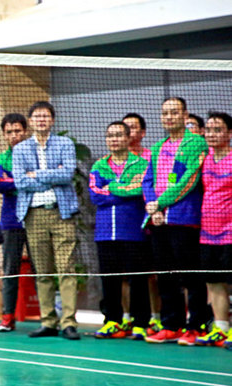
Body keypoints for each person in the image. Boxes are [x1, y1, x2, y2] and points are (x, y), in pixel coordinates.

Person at [143, 97, 210, 345]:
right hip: (158, 220)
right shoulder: (157, 147)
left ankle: (197, 326)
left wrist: (159, 203)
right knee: (165, 275)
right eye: (165, 113)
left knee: (190, 275)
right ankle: (171, 325)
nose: (169, 117)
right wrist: (153, 207)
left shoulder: (196, 143)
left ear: (185, 115)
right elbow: (147, 180)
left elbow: (189, 180)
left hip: (184, 218)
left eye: (174, 112)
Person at [12, 101, 81, 340]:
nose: (41, 120)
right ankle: (48, 321)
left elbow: (67, 173)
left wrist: (37, 175)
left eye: (45, 116)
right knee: (42, 270)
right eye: (37, 116)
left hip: (62, 213)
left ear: (52, 120)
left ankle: (69, 322)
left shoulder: (65, 144)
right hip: (34, 215)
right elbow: (20, 181)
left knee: (66, 268)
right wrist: (52, 176)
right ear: (30, 121)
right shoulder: (20, 149)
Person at [89, 121, 150, 339]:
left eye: (118, 135)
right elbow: (95, 195)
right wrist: (125, 190)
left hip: (133, 231)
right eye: (110, 136)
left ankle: (140, 323)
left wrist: (112, 187)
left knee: (138, 279)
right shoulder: (98, 166)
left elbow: (140, 191)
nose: (113, 140)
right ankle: (112, 321)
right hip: (105, 232)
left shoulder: (142, 164)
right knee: (109, 279)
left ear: (128, 138)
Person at [195, 112, 232, 348]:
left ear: (229, 133)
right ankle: (221, 328)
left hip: (230, 230)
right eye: (208, 130)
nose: (211, 134)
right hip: (208, 231)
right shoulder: (204, 159)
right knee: (213, 282)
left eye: (217, 130)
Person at [123, 112, 161, 332]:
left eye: (134, 127)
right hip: (126, 224)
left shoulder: (151, 156)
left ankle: (156, 316)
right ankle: (127, 317)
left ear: (143, 132)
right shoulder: (115, 159)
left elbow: (151, 185)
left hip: (150, 222)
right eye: (125, 127)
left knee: (151, 275)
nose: (129, 132)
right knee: (124, 276)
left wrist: (132, 185)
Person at [0, 113, 29, 332]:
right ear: (4, 134)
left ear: (25, 132)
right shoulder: (0, 159)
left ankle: (50, 319)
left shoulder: (35, 155)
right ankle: (8, 317)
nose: (14, 135)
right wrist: (28, 178)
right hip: (10, 219)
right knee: (10, 269)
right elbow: (0, 184)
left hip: (35, 216)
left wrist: (14, 179)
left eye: (17, 131)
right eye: (9, 132)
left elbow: (41, 179)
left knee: (42, 269)